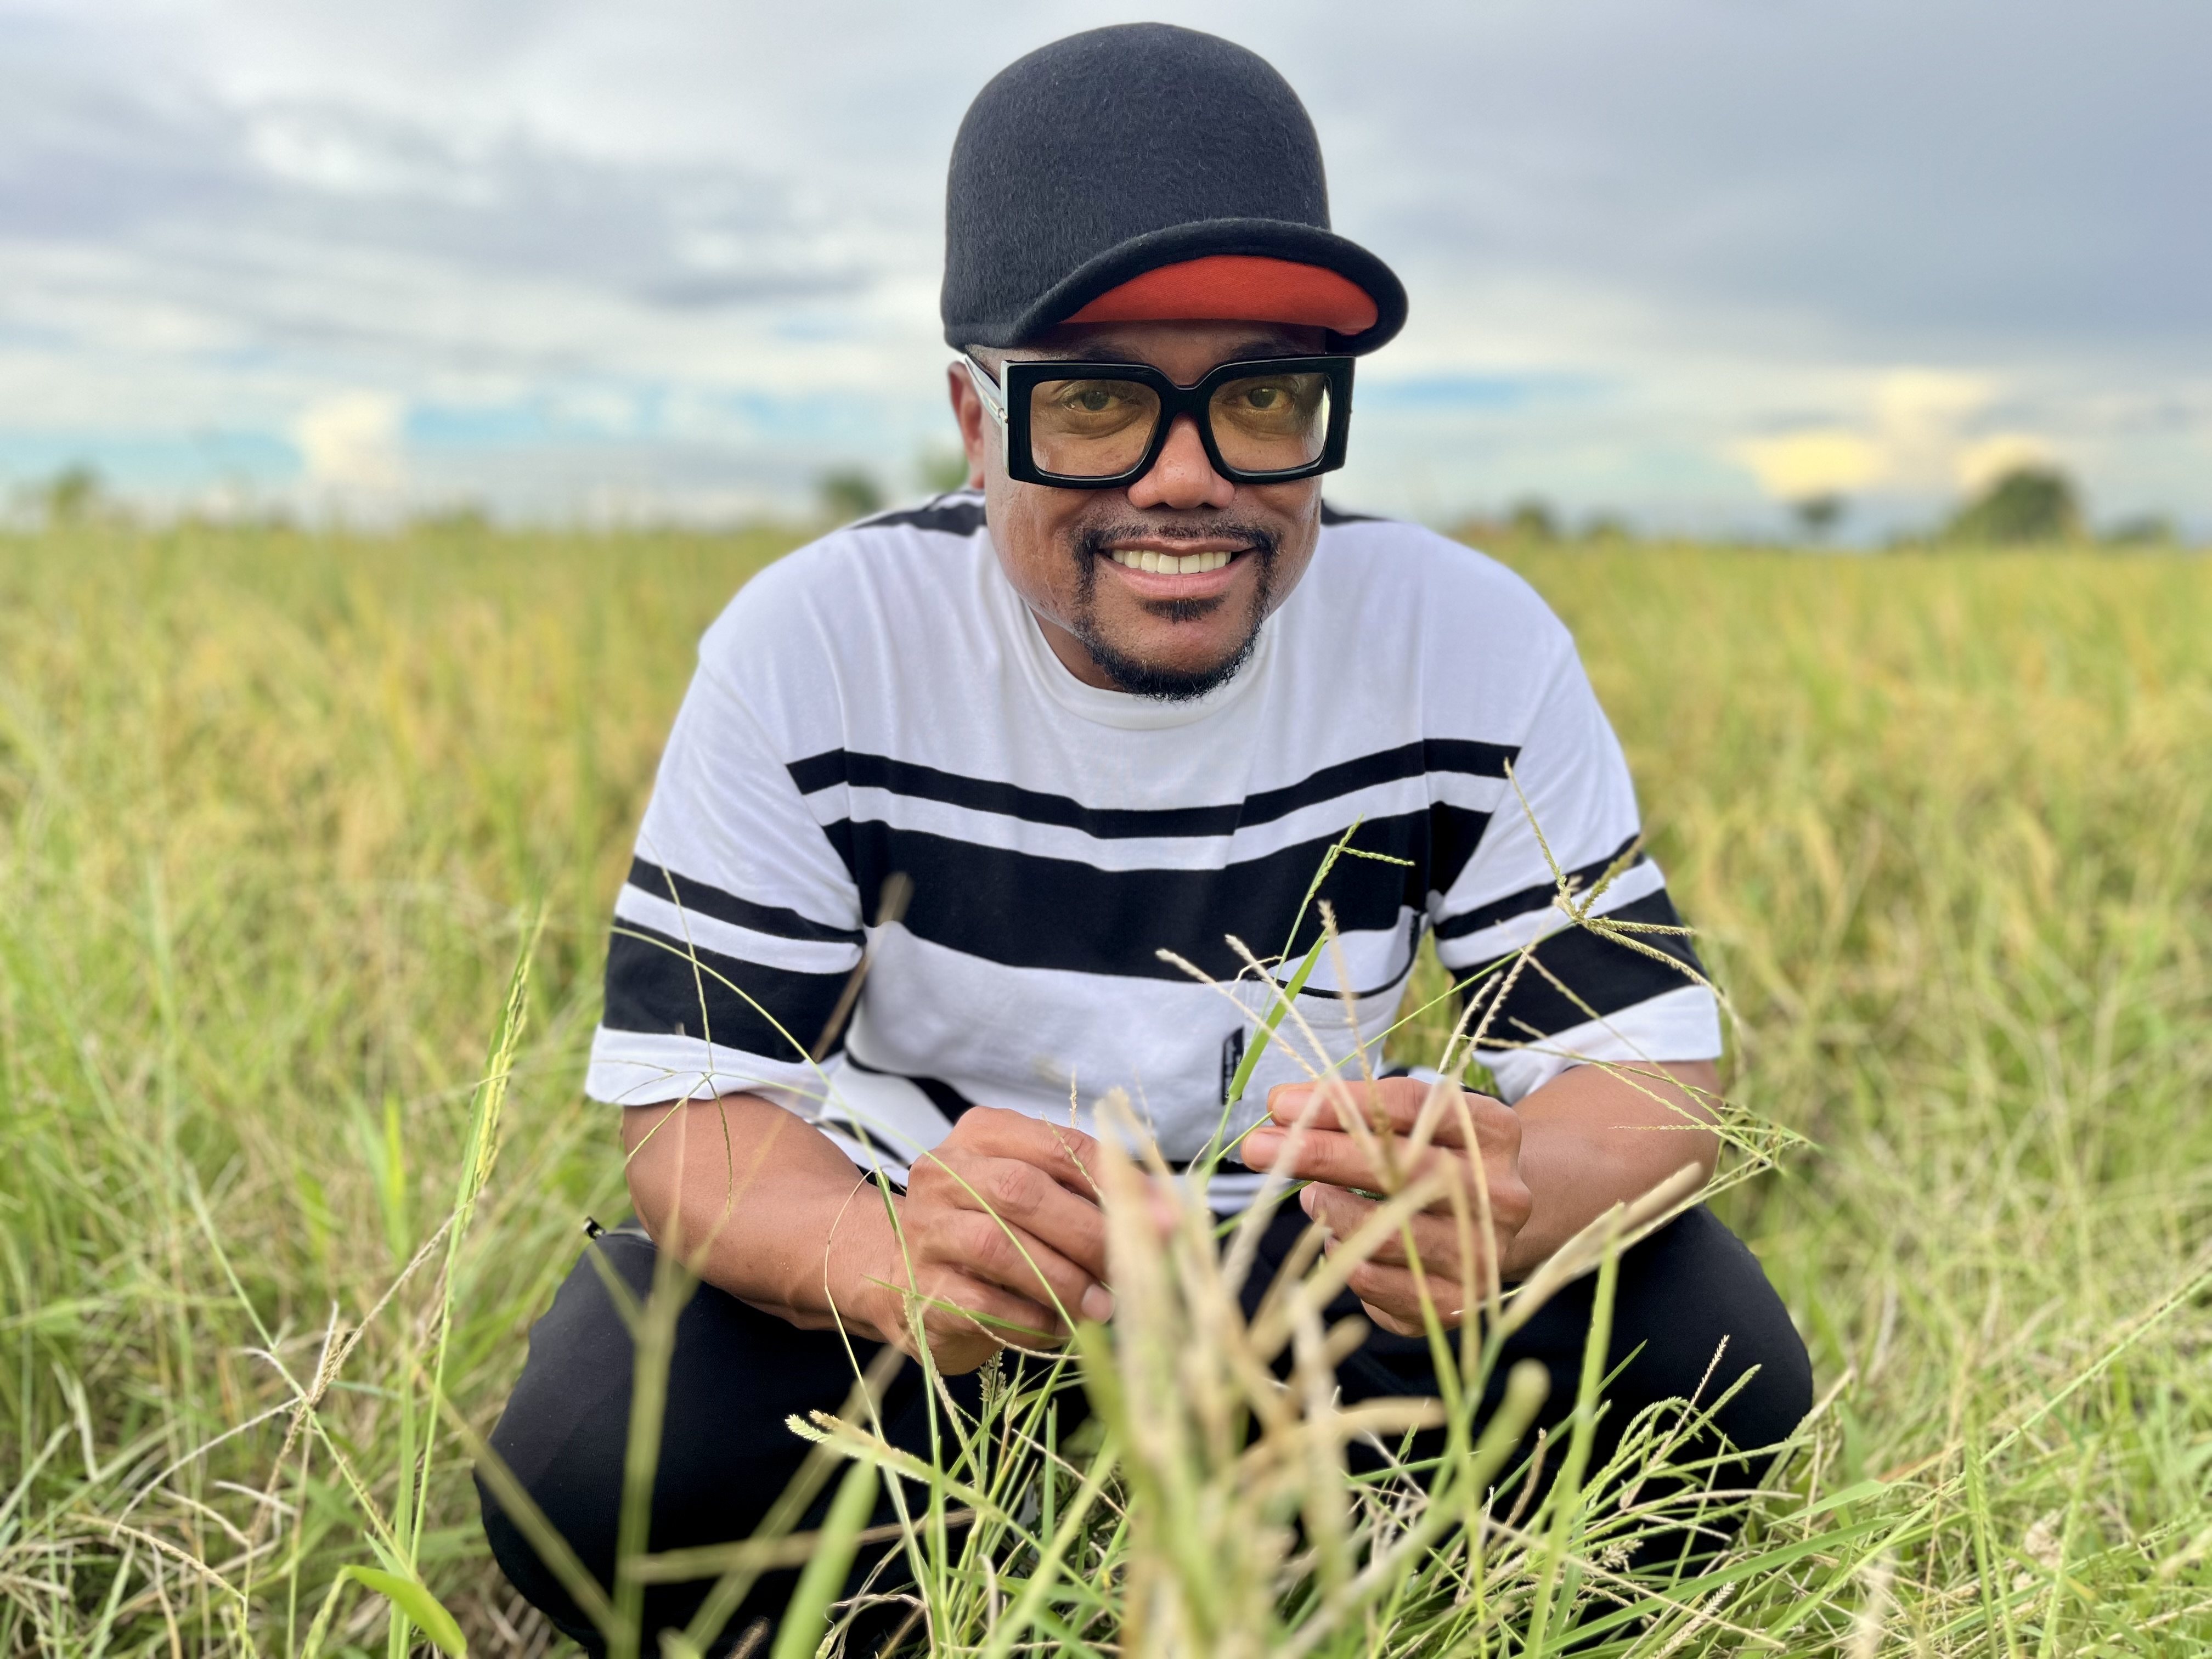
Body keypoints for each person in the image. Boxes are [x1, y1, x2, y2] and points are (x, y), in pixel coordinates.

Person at [479, 22, 1811, 1653]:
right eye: (1098, 404)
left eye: (1262, 398)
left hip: (1308, 1283)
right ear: (976, 424)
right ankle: (953, 1595)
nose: (1187, 481)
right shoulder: (815, 643)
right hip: (936, 1287)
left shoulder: (1467, 639)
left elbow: (1648, 1070)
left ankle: (1328, 1585)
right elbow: (696, 1109)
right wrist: (891, 1261)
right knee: (598, 1452)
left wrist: (1512, 1195)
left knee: (1703, 1352)